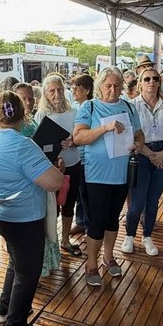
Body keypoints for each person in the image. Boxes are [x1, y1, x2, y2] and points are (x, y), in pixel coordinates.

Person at [0, 91, 64, 326]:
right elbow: (53, 182)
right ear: (24, 114)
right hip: (24, 219)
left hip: (2, 215)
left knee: (15, 263)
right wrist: (58, 170)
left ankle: (5, 309)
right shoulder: (22, 144)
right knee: (28, 273)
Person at [73, 67, 145, 286]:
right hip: (96, 174)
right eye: (108, 85)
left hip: (121, 174)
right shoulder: (90, 106)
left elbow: (139, 134)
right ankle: (91, 264)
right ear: (99, 86)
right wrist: (105, 128)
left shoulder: (129, 108)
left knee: (113, 219)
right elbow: (78, 137)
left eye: (117, 85)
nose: (113, 90)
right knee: (96, 221)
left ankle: (108, 256)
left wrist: (137, 145)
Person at [123, 67, 163, 256]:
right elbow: (130, 135)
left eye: (155, 78)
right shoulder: (131, 105)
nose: (151, 82)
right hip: (140, 155)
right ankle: (129, 235)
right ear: (140, 83)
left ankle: (147, 236)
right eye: (147, 79)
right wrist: (151, 155)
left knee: (153, 201)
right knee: (137, 202)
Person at [35, 75, 82, 257]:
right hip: (50, 169)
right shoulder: (42, 115)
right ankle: (51, 242)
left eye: (60, 89)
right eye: (52, 90)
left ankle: (64, 240)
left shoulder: (74, 113)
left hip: (73, 164)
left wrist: (72, 142)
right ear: (46, 93)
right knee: (51, 207)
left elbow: (80, 138)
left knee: (70, 205)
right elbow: (37, 144)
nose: (57, 94)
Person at [68, 74, 94, 237]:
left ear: (87, 90)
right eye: (73, 88)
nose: (74, 91)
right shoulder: (74, 107)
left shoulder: (91, 107)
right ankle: (80, 221)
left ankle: (89, 225)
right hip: (76, 156)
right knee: (79, 192)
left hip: (86, 156)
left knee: (85, 193)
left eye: (77, 88)